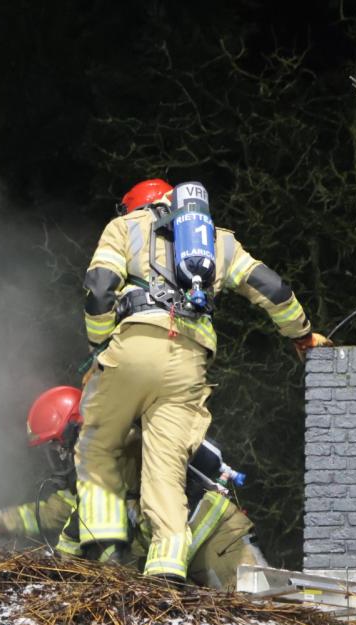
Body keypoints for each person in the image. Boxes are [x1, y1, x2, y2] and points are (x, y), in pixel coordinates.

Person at [75, 178, 330, 581]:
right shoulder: (217, 240)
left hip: (135, 348)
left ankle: (102, 551)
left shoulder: (124, 228)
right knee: (165, 472)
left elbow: (100, 290)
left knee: (98, 444)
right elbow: (274, 288)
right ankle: (167, 567)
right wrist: (302, 334)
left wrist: (99, 346)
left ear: (135, 206)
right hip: (188, 363)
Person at [0, 385, 263, 590]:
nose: (59, 455)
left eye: (58, 446)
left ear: (75, 431)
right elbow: (54, 511)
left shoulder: (122, 445)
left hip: (216, 538)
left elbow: (84, 517)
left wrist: (59, 563)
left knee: (260, 614)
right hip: (179, 553)